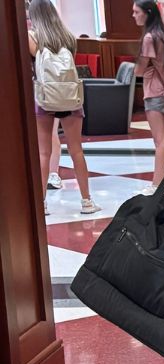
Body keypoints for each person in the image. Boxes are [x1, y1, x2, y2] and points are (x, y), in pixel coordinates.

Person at [27, 0, 100, 214]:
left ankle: (42, 204)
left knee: (43, 153)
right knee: (76, 149)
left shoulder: (32, 37)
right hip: (70, 96)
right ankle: (87, 201)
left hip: (45, 97)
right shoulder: (68, 37)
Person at [133, 0, 164, 195]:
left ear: (147, 13)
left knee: (159, 140)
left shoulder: (148, 38)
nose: (134, 15)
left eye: (136, 12)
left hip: (154, 92)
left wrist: (134, 67)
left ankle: (157, 183)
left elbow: (140, 70)